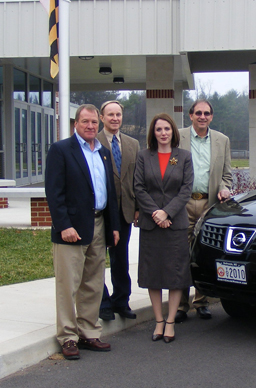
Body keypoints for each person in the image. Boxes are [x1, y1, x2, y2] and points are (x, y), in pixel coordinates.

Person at [45, 104, 120, 360]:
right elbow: (54, 193)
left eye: (93, 122)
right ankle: (67, 337)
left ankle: (89, 331)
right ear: (75, 124)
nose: (90, 126)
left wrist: (113, 227)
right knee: (69, 284)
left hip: (98, 224)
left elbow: (109, 193)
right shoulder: (61, 150)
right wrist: (63, 225)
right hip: (72, 229)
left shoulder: (104, 153)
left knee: (93, 282)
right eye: (84, 121)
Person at [134, 113, 193, 343]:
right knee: (153, 273)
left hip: (175, 224)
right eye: (159, 129)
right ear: (153, 133)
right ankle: (158, 320)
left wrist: (167, 212)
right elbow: (139, 188)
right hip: (151, 225)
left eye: (167, 129)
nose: (163, 133)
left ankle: (170, 322)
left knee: (176, 274)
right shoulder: (143, 156)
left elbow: (186, 189)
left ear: (173, 132)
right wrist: (156, 214)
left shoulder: (184, 157)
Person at [175, 99, 232, 323]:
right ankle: (180, 305)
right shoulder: (178, 137)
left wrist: (225, 189)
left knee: (203, 253)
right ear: (190, 115)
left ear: (211, 117)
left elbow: (227, 174)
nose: (202, 116)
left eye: (206, 113)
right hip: (183, 203)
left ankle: (201, 302)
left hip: (209, 204)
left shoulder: (222, 140)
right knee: (180, 254)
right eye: (198, 113)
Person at [97, 100, 140, 321]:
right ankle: (103, 303)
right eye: (110, 115)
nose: (115, 118)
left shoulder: (133, 144)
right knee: (97, 259)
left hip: (125, 211)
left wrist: (138, 208)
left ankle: (121, 300)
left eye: (118, 115)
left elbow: (138, 180)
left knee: (120, 258)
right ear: (102, 117)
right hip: (101, 210)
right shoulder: (93, 141)